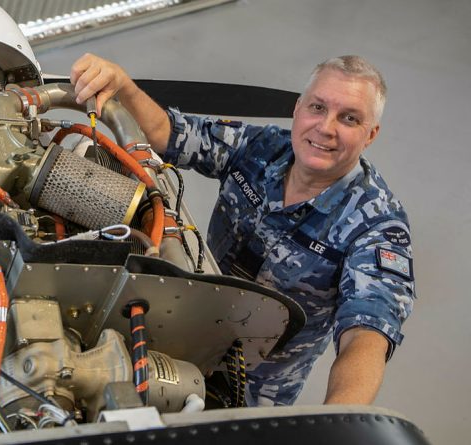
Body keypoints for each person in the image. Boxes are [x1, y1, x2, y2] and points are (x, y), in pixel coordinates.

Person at [70, 53, 415, 406]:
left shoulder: (377, 224)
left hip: (250, 392)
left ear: (370, 134)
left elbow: (366, 335)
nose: (326, 128)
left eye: (349, 118)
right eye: (317, 107)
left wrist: (341, 423)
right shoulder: (260, 148)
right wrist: (123, 86)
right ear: (297, 109)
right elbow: (168, 134)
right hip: (182, 337)